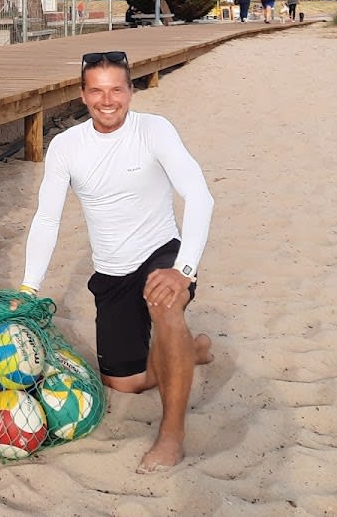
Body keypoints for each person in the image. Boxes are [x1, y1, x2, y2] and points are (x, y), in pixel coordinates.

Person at [20, 50, 214, 472]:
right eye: (97, 91)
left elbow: (199, 196)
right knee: (123, 383)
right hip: (111, 271)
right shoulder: (66, 146)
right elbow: (47, 218)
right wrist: (28, 287)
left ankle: (171, 434)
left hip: (160, 254)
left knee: (165, 305)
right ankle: (189, 352)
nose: (108, 101)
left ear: (130, 90)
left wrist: (183, 270)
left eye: (117, 90)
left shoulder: (155, 130)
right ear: (82, 94)